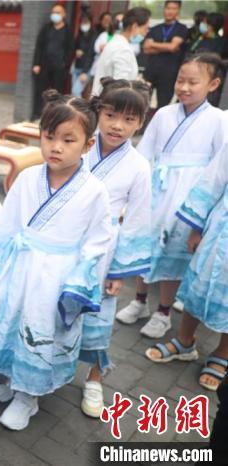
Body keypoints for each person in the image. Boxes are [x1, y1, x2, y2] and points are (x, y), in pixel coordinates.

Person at [0, 90, 111, 431]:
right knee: (5, 324)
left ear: (88, 145)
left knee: (40, 331)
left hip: (57, 276)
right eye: (49, 137)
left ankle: (27, 395)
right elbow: (7, 223)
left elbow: (97, 241)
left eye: (68, 139)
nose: (56, 147)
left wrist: (79, 284)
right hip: (20, 266)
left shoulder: (94, 191)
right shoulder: (29, 178)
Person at [117, 53, 225, 339]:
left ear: (213, 84)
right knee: (143, 246)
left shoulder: (218, 121)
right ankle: (139, 300)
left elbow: (217, 169)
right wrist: (132, 191)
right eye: (180, 80)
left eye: (193, 82)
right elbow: (145, 154)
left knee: (173, 256)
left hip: (186, 198)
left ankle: (163, 311)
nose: (184, 87)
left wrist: (201, 216)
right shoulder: (164, 114)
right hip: (155, 191)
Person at [78, 78, 152, 418]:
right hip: (65, 240)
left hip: (103, 251)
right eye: (110, 115)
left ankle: (94, 377)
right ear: (98, 112)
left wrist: (121, 271)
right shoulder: (78, 144)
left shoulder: (138, 166)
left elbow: (136, 221)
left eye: (129, 119)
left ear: (140, 122)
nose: (118, 125)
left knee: (98, 313)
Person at [144, 132, 228, 392]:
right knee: (197, 282)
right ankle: (184, 340)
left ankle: (222, 354)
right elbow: (212, 181)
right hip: (220, 231)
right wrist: (196, 227)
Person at [92, 7, 151, 96]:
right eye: (146, 28)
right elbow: (120, 88)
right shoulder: (123, 49)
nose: (146, 32)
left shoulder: (116, 42)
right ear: (135, 26)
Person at [143, 1, 189, 109]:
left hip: (169, 74)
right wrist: (168, 47)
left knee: (162, 107)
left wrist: (153, 45)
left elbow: (172, 47)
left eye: (174, 8)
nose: (170, 11)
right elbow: (146, 49)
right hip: (150, 71)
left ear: (178, 11)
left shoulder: (181, 28)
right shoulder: (155, 28)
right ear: (164, 9)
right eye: (168, 8)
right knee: (142, 103)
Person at [32, 4, 73, 119]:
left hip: (59, 66)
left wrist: (65, 63)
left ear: (64, 14)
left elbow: (70, 49)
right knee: (40, 90)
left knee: (57, 92)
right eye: (53, 12)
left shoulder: (67, 30)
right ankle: (37, 114)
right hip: (44, 65)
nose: (55, 15)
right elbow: (39, 46)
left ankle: (54, 116)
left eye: (58, 13)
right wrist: (36, 63)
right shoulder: (46, 28)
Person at [71, 12, 96, 98]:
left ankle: (81, 110)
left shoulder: (94, 35)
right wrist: (76, 51)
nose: (84, 23)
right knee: (74, 93)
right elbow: (73, 47)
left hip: (86, 68)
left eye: (86, 21)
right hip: (77, 66)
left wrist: (85, 72)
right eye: (82, 22)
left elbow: (91, 54)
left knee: (76, 91)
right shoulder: (80, 34)